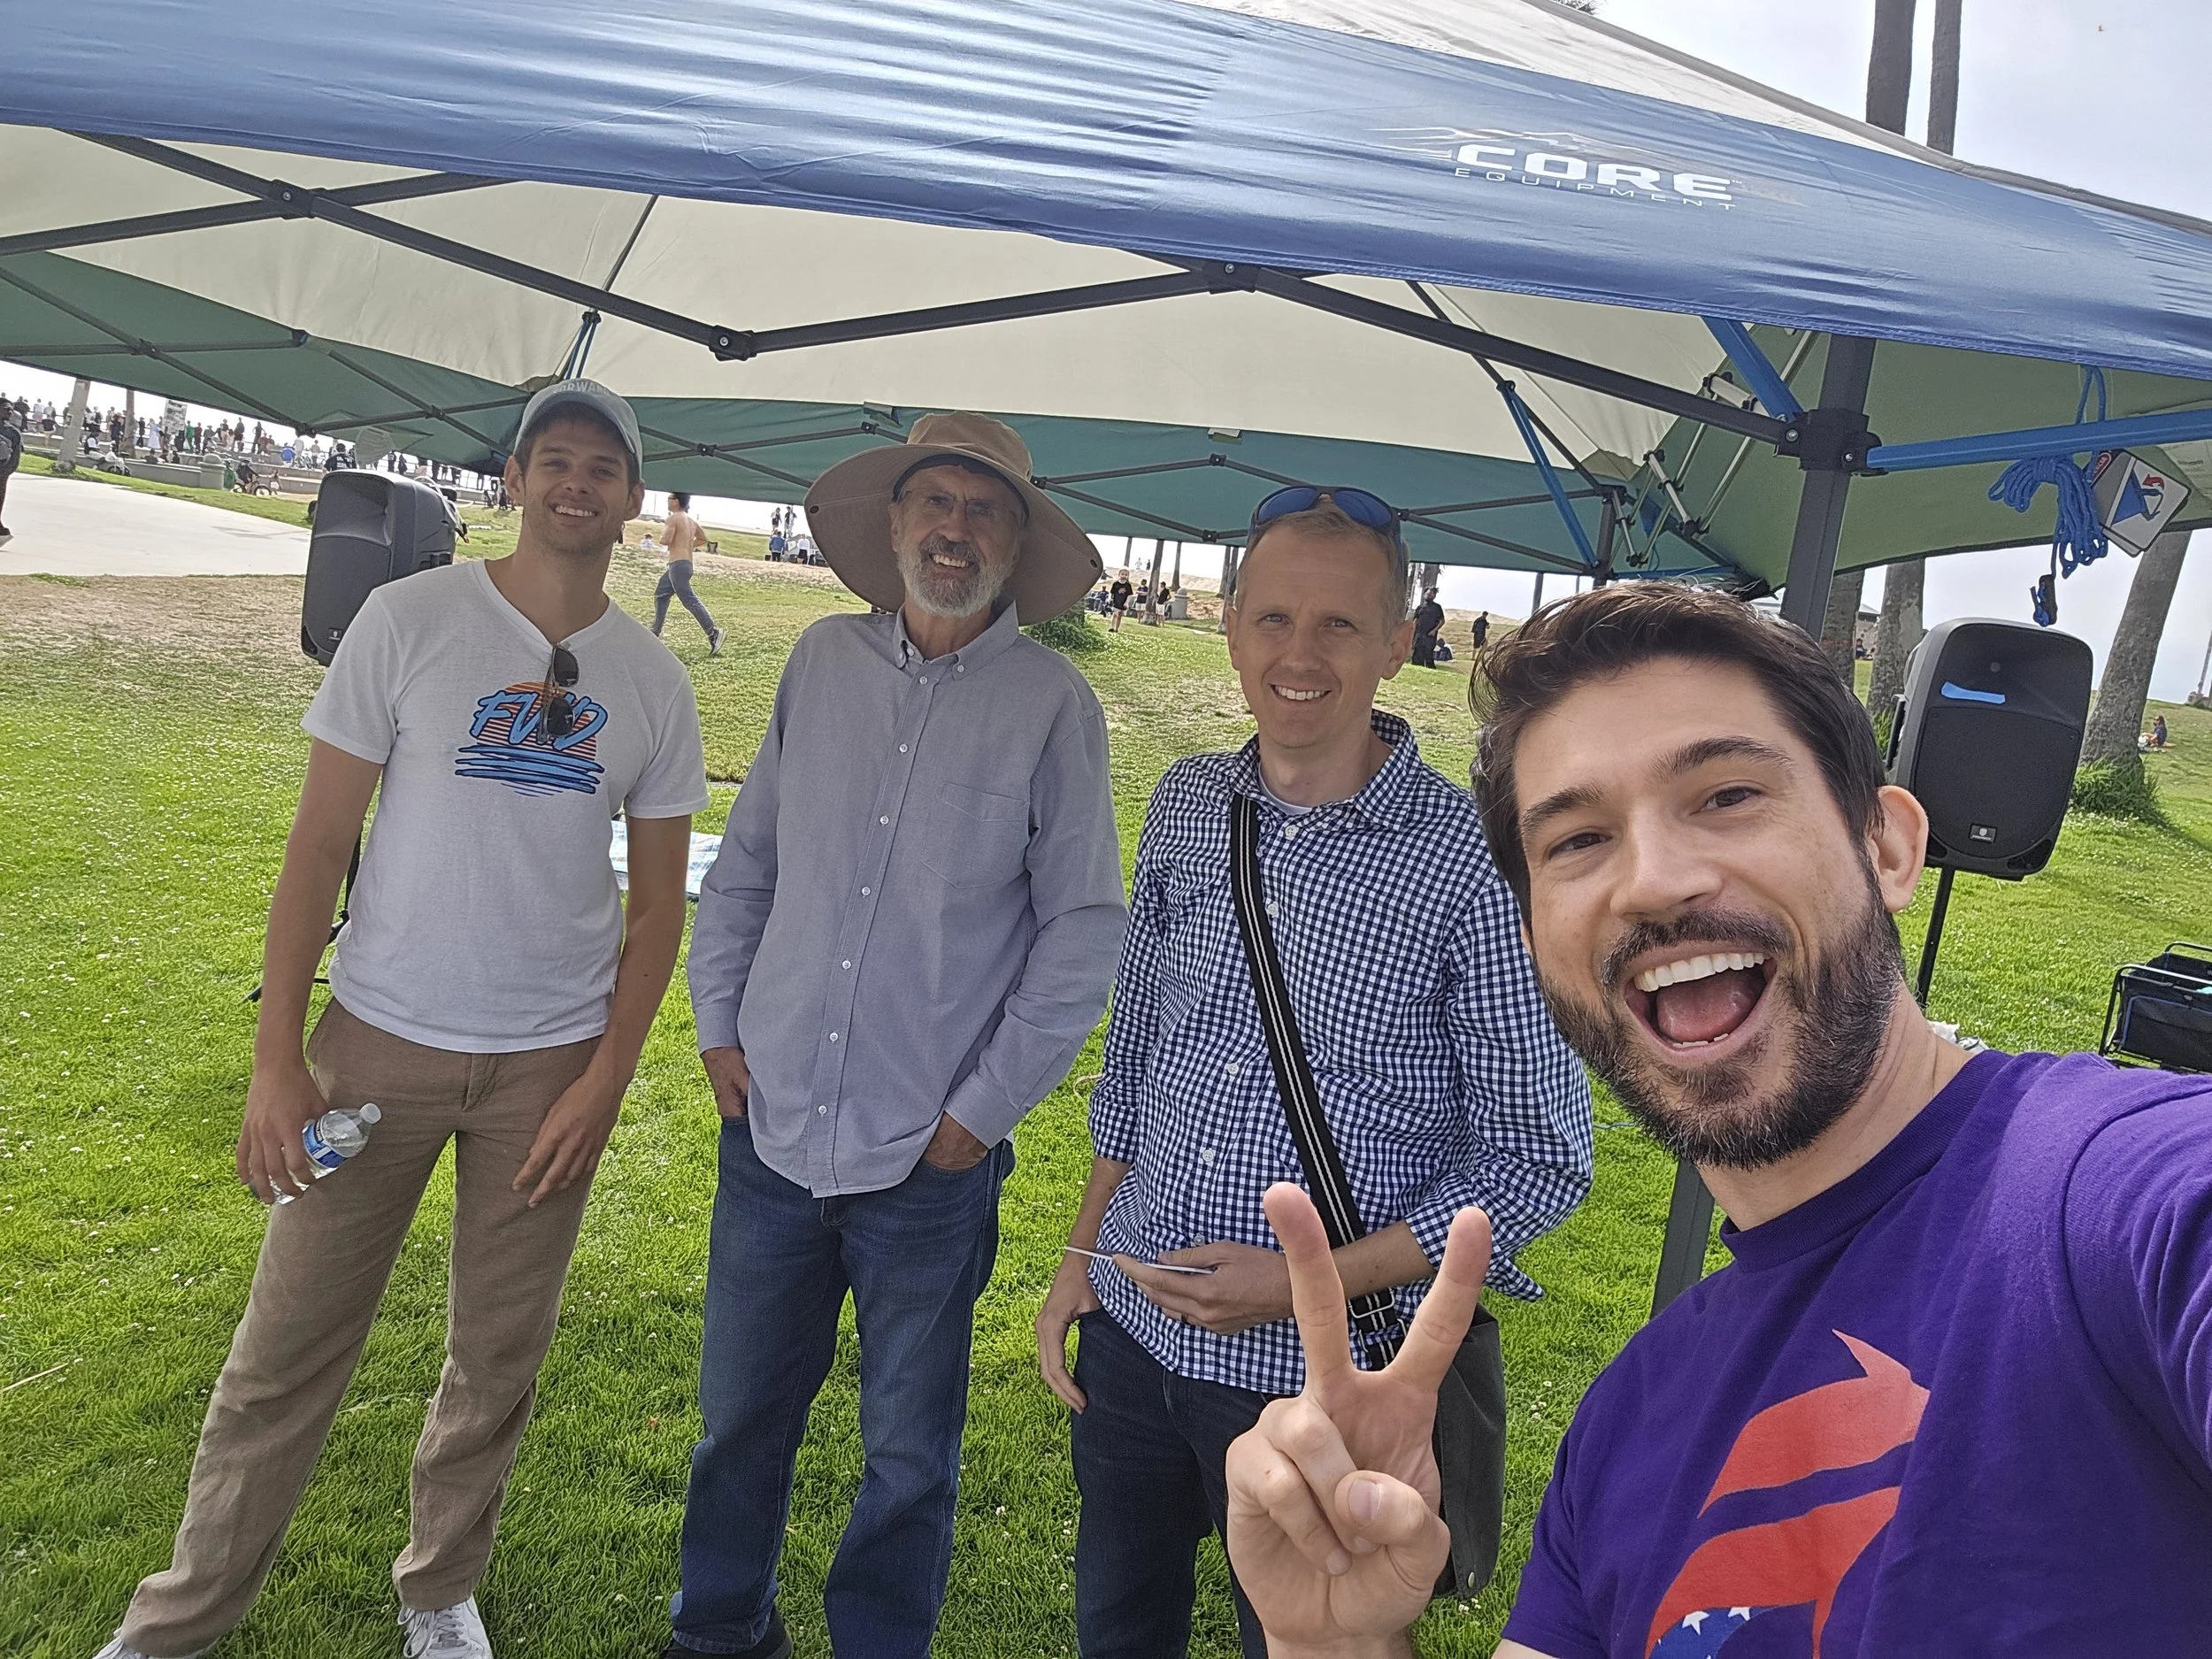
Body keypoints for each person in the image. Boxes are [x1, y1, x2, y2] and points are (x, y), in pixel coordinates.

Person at [1225, 582, 2212, 1659]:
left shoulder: (2125, 1200)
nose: (1651, 881)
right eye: (1577, 841)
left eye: (1726, 795)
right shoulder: (1629, 1430)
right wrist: (1335, 1643)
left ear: (1886, 848)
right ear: (1533, 944)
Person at [94, 378, 710, 1659]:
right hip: (375, 1038)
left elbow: (659, 909)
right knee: (285, 1348)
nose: (576, 484)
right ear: (515, 478)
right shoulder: (409, 617)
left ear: (632, 497)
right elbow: (321, 844)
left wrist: (605, 1078)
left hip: (546, 1066)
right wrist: (277, 1058)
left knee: (499, 1350)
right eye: (554, 459)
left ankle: (438, 1587)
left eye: (603, 466)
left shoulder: (651, 682)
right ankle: (179, 1618)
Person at [1039, 487, 1591, 1659]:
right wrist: (1081, 1259)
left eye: (1340, 625)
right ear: (1231, 625)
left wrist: (1309, 1283)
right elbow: (1137, 1048)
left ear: (1400, 641)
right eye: (1274, 617)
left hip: (1319, 1376)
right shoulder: (1191, 803)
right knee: (1115, 1627)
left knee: (1315, 1638)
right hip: (1132, 1331)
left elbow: (1540, 1160)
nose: (1299, 654)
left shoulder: (1471, 858)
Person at [669, 412, 1123, 1659]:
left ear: (1016, 540)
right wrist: (717, 1026)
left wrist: (977, 1118)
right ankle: (715, 1628)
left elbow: (1083, 933)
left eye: (984, 509)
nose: (954, 527)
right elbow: (747, 860)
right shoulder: (819, 660)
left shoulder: (1052, 706)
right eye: (935, 501)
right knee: (734, 1421)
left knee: (909, 1454)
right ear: (896, 521)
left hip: (928, 1161)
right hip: (770, 1131)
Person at [652, 490, 726, 656]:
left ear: (676, 501)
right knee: (661, 594)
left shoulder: (673, 518)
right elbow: (703, 538)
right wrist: (687, 544)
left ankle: (713, 633)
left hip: (677, 564)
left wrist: (668, 535)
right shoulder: (691, 521)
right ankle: (655, 633)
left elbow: (665, 540)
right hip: (684, 564)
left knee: (689, 600)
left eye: (670, 499)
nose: (668, 501)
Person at [0, 401, 22, 543]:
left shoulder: (13, 432)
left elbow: (15, 458)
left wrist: (5, 473)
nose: (10, 412)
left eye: (11, 410)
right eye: (6, 409)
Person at [1409, 586, 1445, 668]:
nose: (1430, 595)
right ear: (1424, 594)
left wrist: (1434, 631)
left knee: (1428, 654)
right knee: (1417, 654)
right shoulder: (1420, 607)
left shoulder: (1437, 607)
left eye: (1432, 594)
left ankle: (1430, 668)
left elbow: (1442, 621)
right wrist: (1412, 633)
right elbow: (1415, 621)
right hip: (1419, 634)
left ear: (1434, 596)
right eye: (1428, 593)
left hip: (1430, 635)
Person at [1108, 568, 1134, 633]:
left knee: (1119, 616)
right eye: (1122, 574)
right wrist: (1109, 598)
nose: (1124, 576)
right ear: (1119, 574)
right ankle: (1112, 628)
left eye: (1126, 575)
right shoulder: (1115, 584)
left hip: (1123, 603)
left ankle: (1116, 629)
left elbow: (1130, 595)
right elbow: (1111, 592)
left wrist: (1127, 602)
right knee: (1115, 614)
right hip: (1116, 602)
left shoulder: (1128, 585)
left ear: (1128, 576)